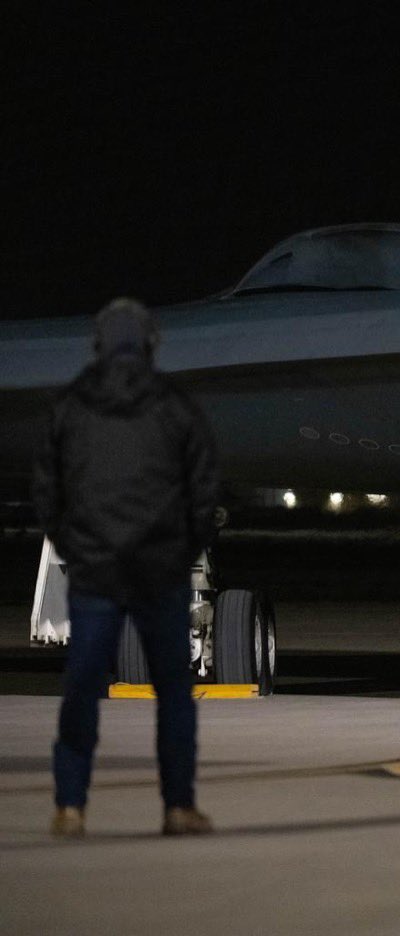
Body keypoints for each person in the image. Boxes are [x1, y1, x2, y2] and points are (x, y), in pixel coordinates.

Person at [31, 298, 220, 836]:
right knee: (174, 694)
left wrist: (75, 543)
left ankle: (71, 807)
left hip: (95, 572)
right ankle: (178, 807)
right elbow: (204, 488)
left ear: (97, 344)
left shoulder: (69, 407)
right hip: (159, 571)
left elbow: (47, 487)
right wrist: (183, 550)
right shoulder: (176, 406)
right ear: (150, 343)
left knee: (82, 688)